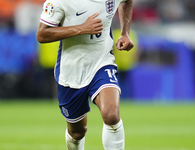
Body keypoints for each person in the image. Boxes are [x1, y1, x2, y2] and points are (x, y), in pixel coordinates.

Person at [37, 0, 133, 149]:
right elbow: (42, 34)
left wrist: (124, 33)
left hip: (102, 62)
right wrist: (81, 28)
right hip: (71, 71)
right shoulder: (59, 2)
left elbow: (127, 1)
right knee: (77, 132)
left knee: (111, 114)